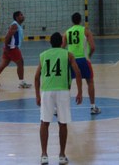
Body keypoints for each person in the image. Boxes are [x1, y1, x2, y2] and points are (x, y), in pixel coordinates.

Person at [35, 32, 83, 165]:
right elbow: (78, 73)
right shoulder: (68, 54)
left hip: (47, 92)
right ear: (62, 43)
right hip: (63, 91)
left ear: (50, 43)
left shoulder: (43, 55)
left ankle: (44, 155)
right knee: (63, 123)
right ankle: (62, 155)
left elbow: (36, 76)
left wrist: (37, 95)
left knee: (45, 122)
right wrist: (79, 92)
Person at [62, 12, 101, 114]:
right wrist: (89, 56)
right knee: (90, 82)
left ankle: (61, 108)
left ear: (72, 21)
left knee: (67, 84)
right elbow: (92, 47)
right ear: (80, 20)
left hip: (70, 60)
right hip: (83, 59)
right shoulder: (86, 31)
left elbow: (61, 48)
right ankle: (93, 107)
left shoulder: (67, 32)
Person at [0, 11, 31, 89]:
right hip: (12, 48)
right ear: (17, 17)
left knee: (3, 64)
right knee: (20, 63)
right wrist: (6, 47)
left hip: (9, 48)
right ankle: (22, 82)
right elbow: (7, 37)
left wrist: (6, 48)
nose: (23, 16)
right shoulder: (15, 25)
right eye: (21, 15)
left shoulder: (17, 25)